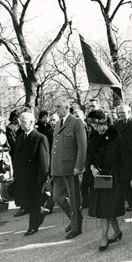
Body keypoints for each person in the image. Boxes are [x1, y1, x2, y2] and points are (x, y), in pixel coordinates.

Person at [86, 110, 125, 251]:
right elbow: (89, 153)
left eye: (97, 126)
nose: (95, 129)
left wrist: (100, 170)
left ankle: (104, 237)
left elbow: (113, 157)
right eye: (93, 126)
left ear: (104, 122)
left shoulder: (114, 134)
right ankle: (117, 231)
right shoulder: (93, 135)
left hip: (111, 175)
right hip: (97, 175)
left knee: (105, 207)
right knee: (105, 207)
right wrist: (91, 167)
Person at [51, 98, 88, 239]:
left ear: (67, 107)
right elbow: (55, 148)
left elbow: (82, 146)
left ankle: (76, 226)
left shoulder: (76, 122)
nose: (56, 109)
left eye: (59, 106)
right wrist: (52, 168)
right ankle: (75, 218)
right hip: (58, 168)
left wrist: (79, 166)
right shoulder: (58, 123)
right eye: (55, 106)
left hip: (71, 167)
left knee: (74, 199)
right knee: (57, 197)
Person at [13, 112, 50, 236]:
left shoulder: (40, 138)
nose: (21, 124)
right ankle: (41, 211)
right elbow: (16, 157)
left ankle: (33, 226)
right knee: (28, 201)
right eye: (20, 122)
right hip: (23, 176)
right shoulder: (20, 138)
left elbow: (44, 160)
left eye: (24, 122)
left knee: (33, 202)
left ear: (31, 122)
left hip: (34, 177)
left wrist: (43, 178)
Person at [114, 105, 132, 212]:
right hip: (121, 156)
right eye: (119, 112)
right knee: (125, 181)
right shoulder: (117, 123)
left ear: (129, 112)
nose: (120, 114)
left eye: (123, 112)